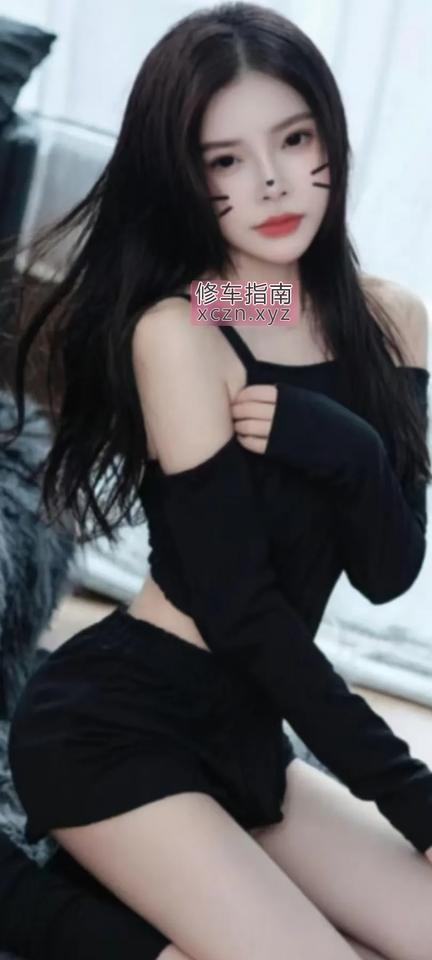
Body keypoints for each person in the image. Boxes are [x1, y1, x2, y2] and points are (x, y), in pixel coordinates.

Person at [0, 2, 431, 958]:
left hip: (249, 737)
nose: (272, 180)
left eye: (294, 139)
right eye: (224, 160)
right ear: (184, 181)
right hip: (118, 725)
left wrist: (354, 450)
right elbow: (240, 612)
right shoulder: (184, 329)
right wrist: (413, 796)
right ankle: (37, 904)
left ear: (332, 138)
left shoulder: (393, 317)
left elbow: (390, 570)